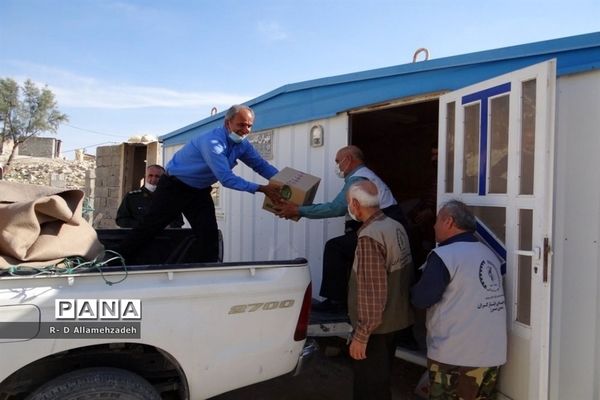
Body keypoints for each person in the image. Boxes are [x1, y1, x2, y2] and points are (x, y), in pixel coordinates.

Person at [118, 104, 282, 264]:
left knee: (208, 235)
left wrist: (284, 181)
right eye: (241, 125)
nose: (245, 130)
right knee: (150, 227)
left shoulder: (242, 145)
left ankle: (206, 272)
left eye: (249, 126)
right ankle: (115, 262)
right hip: (174, 187)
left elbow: (260, 165)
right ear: (228, 123)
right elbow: (226, 178)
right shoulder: (212, 142)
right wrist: (261, 189)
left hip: (199, 191)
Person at [275, 145, 407, 312]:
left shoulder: (358, 179)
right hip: (389, 228)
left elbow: (336, 208)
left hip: (382, 230)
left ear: (349, 159)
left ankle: (336, 302)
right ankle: (347, 298)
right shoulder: (366, 176)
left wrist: (298, 210)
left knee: (335, 247)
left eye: (338, 161)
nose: (337, 166)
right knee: (346, 248)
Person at [411, 200, 507, 400]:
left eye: (437, 220)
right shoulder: (488, 254)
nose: (434, 225)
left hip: (455, 357)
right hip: (491, 355)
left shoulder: (444, 255)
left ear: (448, 221)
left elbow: (421, 299)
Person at [346, 180, 414, 400]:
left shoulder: (369, 236)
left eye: (349, 202)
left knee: (368, 389)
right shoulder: (394, 225)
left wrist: (362, 335)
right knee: (381, 383)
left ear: (355, 204)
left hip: (376, 328)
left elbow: (372, 290)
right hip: (396, 320)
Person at [116, 164, 184, 229]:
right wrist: (143, 225)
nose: (153, 179)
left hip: (163, 238)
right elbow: (121, 220)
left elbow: (179, 222)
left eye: (157, 176)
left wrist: (167, 226)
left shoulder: (170, 198)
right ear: (145, 176)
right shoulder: (131, 197)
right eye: (150, 175)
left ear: (163, 178)